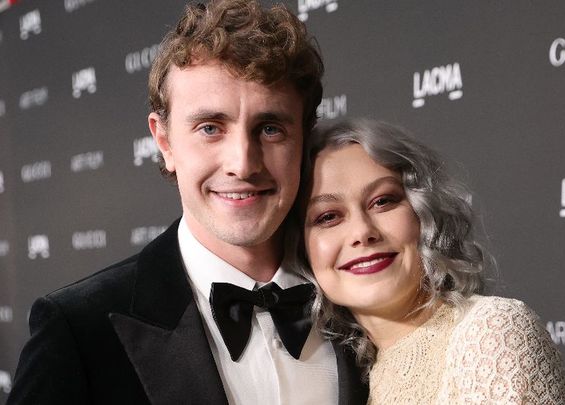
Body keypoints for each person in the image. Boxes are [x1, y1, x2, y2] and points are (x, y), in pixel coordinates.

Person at [7, 2, 368, 404]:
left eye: (269, 129)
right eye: (210, 128)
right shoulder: (78, 331)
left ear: (304, 137)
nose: (242, 163)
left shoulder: (365, 301)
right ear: (164, 142)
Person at [291, 118, 565, 404]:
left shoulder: (491, 332)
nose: (362, 232)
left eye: (383, 201)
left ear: (422, 214)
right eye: (328, 217)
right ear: (301, 249)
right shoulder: (342, 381)